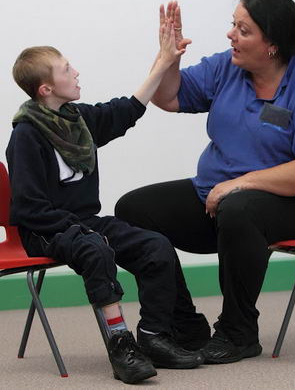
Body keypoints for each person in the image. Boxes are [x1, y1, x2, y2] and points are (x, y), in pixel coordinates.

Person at [115, 0, 295, 365]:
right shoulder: (229, 67)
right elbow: (170, 97)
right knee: (133, 210)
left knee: (239, 207)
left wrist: (241, 183)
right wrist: (168, 61)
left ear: (272, 45)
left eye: (243, 30)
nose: (231, 35)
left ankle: (238, 331)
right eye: (234, 25)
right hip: (220, 200)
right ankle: (185, 323)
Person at [6, 20, 204, 386]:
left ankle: (154, 336)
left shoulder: (78, 121)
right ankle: (120, 345)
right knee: (95, 248)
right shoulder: (26, 136)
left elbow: (127, 109)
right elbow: (29, 208)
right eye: (67, 69)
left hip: (84, 223)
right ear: (47, 88)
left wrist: (163, 62)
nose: (76, 71)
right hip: (45, 230)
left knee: (155, 246)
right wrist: (77, 230)